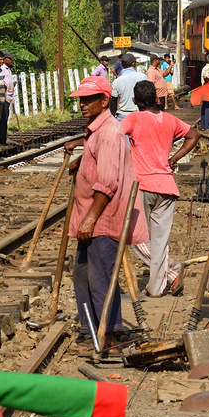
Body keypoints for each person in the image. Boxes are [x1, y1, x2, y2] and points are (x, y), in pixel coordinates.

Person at [65, 75, 149, 352]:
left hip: (102, 217)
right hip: (91, 218)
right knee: (83, 275)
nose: (83, 105)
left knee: (100, 276)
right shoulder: (96, 130)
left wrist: (90, 218)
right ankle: (91, 330)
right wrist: (82, 161)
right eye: (81, 100)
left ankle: (108, 336)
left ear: (104, 100)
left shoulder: (110, 132)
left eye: (89, 99)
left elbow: (108, 183)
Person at [118, 80, 197, 297]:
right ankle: (157, 286)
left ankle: (170, 272)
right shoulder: (169, 119)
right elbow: (194, 136)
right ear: (156, 99)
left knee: (134, 237)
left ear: (134, 101)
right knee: (160, 239)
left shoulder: (133, 118)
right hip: (167, 186)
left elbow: (113, 136)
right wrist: (174, 158)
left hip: (142, 185)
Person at [111, 52, 143, 119]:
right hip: (140, 114)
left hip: (122, 116)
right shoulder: (142, 77)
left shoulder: (117, 81)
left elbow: (113, 103)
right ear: (133, 63)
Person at [0, 54, 17, 144]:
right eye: (9, 58)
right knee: (2, 118)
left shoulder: (8, 70)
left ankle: (3, 138)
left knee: (5, 118)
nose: (11, 60)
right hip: (3, 97)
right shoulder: (3, 69)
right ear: (5, 59)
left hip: (8, 97)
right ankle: (1, 139)